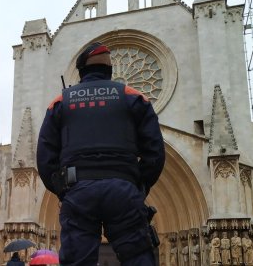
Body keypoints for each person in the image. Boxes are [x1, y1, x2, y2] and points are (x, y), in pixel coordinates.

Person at [37, 42, 165, 265]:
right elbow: (155, 152)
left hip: (78, 190)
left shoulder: (60, 103)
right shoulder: (133, 97)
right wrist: (138, 186)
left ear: (81, 71)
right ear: (109, 70)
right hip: (123, 189)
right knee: (138, 258)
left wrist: (64, 191)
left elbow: (45, 158)